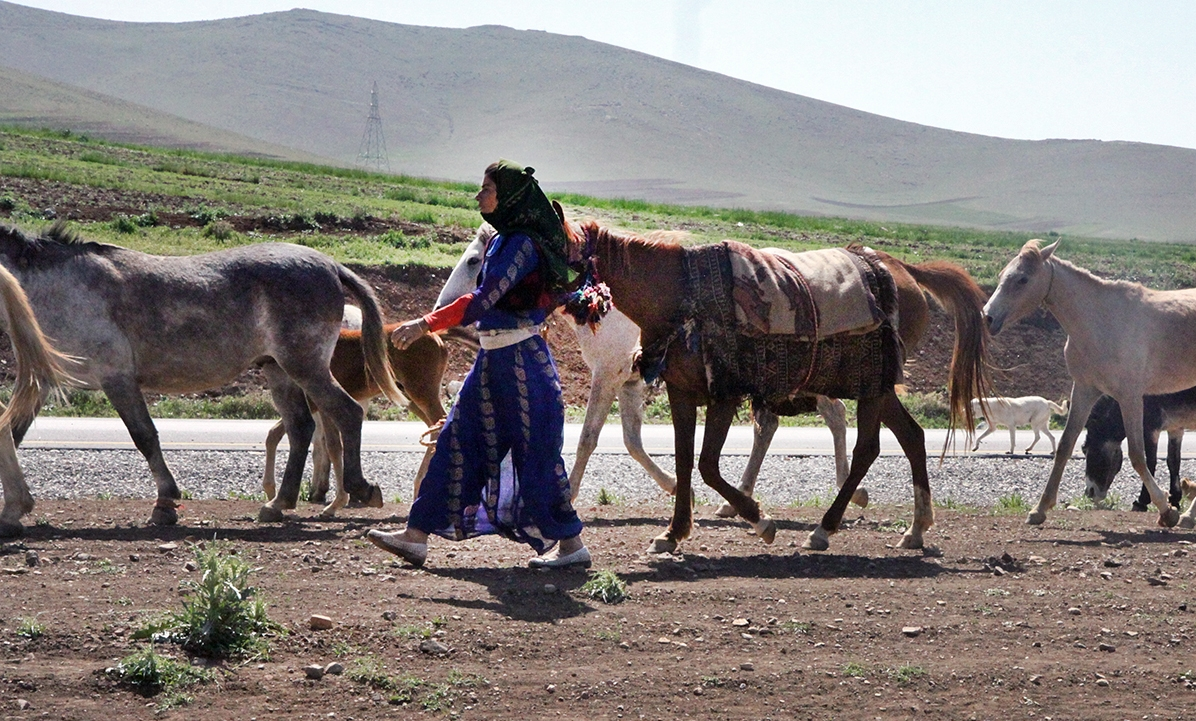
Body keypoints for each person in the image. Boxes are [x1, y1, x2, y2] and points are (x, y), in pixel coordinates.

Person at [367, 160, 590, 569]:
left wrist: (425, 323)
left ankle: (573, 547)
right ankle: (416, 536)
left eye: (486, 188)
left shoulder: (521, 244)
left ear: (509, 197)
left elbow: (483, 299)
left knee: (536, 454)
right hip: (492, 360)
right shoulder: (504, 240)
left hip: (523, 365)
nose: (479, 195)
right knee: (455, 440)